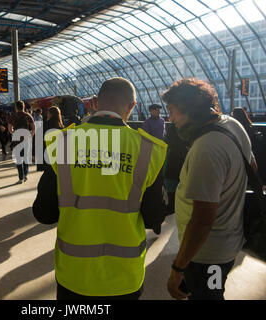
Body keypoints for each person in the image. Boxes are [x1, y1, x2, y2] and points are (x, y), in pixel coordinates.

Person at [33, 77, 167, 299]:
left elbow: (44, 213)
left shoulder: (63, 143)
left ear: (94, 102)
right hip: (124, 276)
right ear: (132, 106)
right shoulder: (149, 149)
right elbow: (155, 217)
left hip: (74, 275)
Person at [162, 78, 255, 300]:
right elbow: (252, 167)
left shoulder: (207, 147)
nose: (170, 119)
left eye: (173, 111)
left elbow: (203, 221)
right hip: (227, 242)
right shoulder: (231, 124)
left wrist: (178, 268)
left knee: (209, 296)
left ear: (191, 111)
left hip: (208, 255)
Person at [162, 123, 189, 214]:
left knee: (171, 199)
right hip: (181, 174)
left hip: (170, 173)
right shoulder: (188, 147)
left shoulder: (168, 145)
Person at [8, 100, 35, 184]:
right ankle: (26, 174)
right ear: (23, 107)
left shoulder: (13, 116)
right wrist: (31, 136)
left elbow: (9, 128)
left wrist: (13, 132)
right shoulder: (28, 116)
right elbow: (33, 128)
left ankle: (21, 177)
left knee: (19, 158)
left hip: (17, 140)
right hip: (26, 138)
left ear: (16, 107)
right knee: (26, 157)